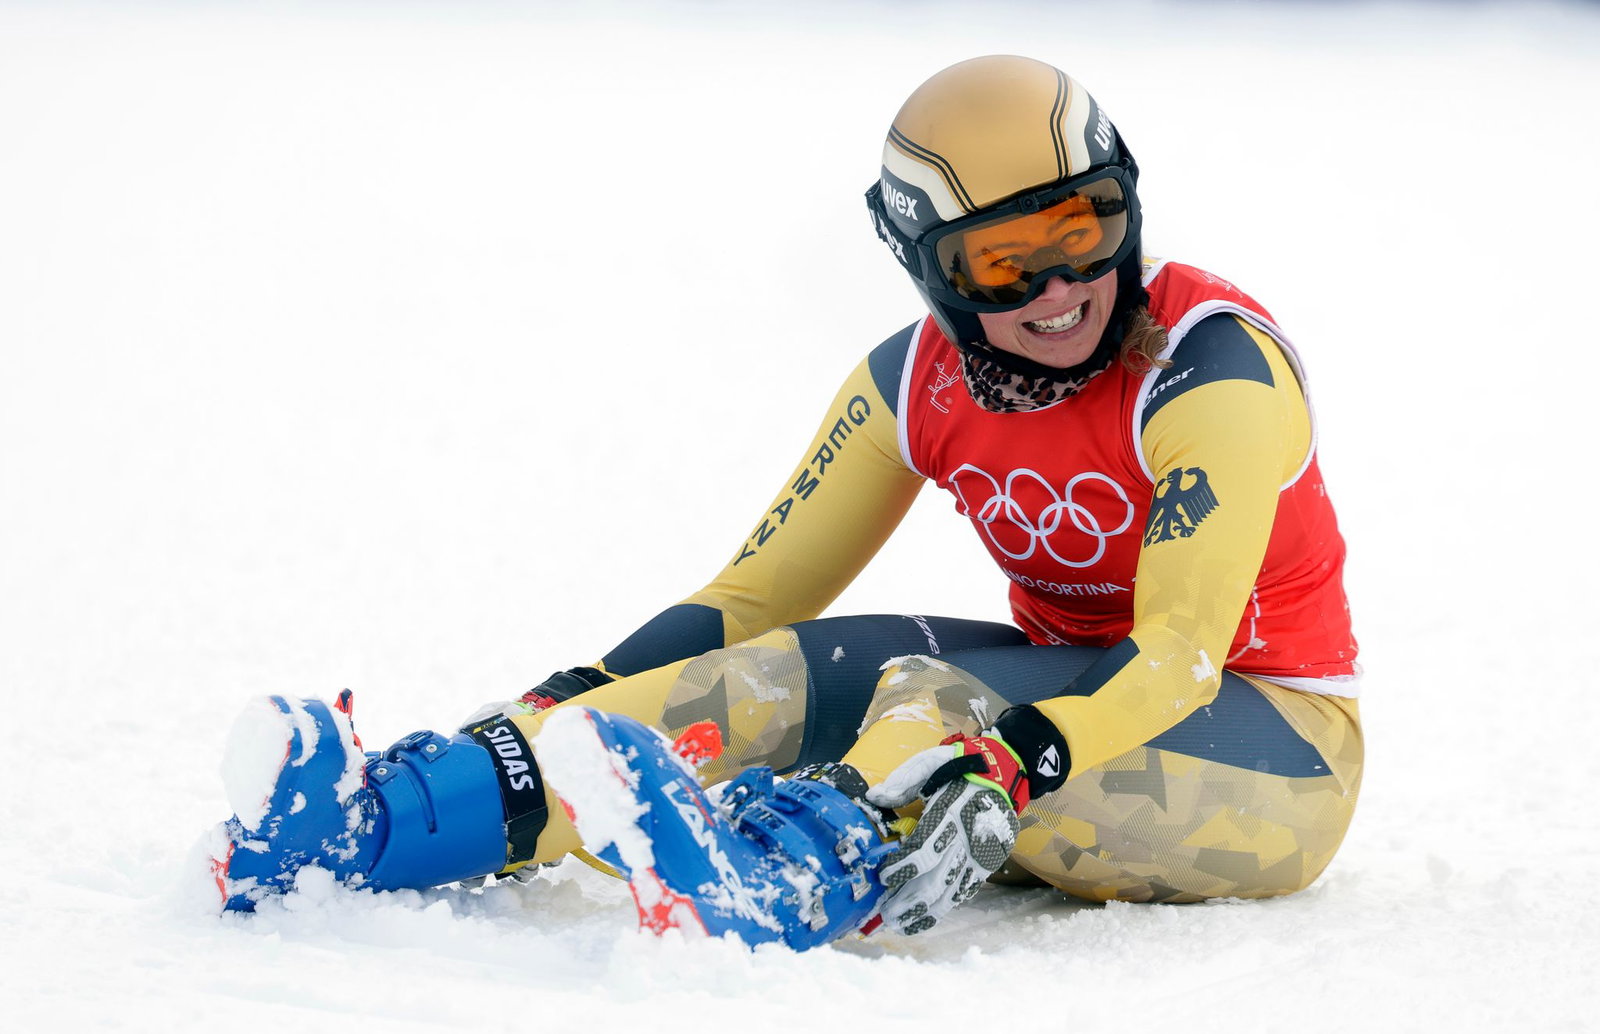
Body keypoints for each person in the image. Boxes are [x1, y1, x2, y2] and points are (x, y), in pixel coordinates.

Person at [210, 55, 1362, 949]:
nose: (1061, 289)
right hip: (1064, 730)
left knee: (930, 695)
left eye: (1084, 225)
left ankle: (790, 874)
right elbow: (750, 594)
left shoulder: (1208, 371)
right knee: (791, 666)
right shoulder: (911, 384)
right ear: (928, 267)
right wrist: (554, 703)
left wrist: (1011, 757)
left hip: (1275, 762)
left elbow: (1179, 653)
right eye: (1002, 262)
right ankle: (383, 824)